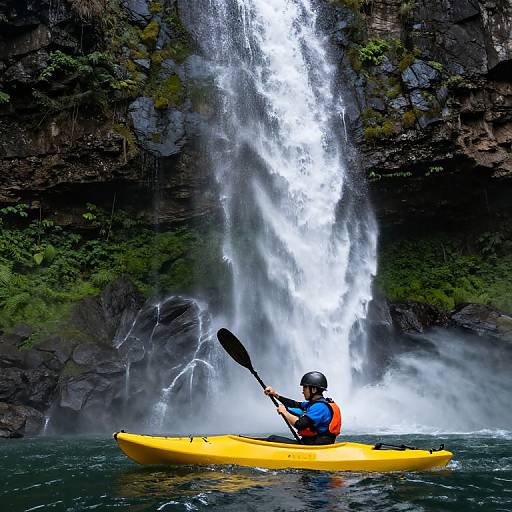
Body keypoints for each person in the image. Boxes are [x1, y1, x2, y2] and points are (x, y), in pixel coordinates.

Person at [264, 371, 342, 445]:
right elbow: (295, 404)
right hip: (311, 443)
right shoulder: (315, 403)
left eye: (305, 388)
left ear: (313, 389)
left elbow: (300, 424)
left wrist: (285, 412)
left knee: (273, 439)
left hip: (314, 447)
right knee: (272, 439)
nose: (303, 391)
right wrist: (275, 394)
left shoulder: (319, 407)